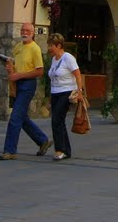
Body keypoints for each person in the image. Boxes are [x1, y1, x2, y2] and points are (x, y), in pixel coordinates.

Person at [0, 22, 52, 160]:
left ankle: (9, 151)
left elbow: (39, 71)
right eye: (23, 30)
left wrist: (19, 75)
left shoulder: (35, 49)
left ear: (33, 33)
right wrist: (10, 67)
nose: (25, 32)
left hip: (28, 84)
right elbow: (17, 65)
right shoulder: (17, 47)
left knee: (15, 117)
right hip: (17, 83)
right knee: (21, 117)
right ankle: (42, 140)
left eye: (28, 30)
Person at [47, 33, 84, 162]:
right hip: (55, 92)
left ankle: (60, 150)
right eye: (49, 45)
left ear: (59, 45)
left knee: (56, 119)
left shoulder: (68, 58)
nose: (49, 48)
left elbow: (78, 75)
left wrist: (79, 92)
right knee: (58, 120)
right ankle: (66, 150)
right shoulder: (54, 59)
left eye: (51, 45)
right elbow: (53, 78)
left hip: (66, 92)